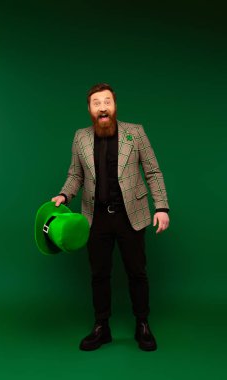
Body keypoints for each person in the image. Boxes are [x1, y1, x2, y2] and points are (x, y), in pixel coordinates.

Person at [51, 83, 170, 351]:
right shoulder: (80, 137)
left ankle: (143, 324)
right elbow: (75, 175)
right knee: (99, 274)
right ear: (90, 109)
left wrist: (161, 207)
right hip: (96, 217)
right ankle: (101, 327)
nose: (102, 107)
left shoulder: (135, 132)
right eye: (96, 102)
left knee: (137, 272)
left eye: (107, 101)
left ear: (114, 106)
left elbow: (153, 172)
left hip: (132, 215)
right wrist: (64, 195)